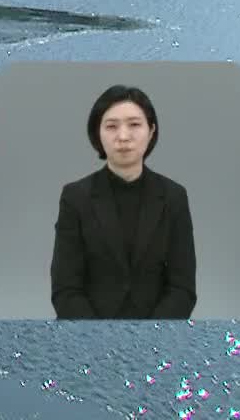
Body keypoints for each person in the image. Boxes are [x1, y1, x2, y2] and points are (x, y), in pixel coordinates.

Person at [49, 84, 197, 319]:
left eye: (135, 125)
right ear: (97, 132)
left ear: (151, 131)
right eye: (111, 126)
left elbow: (183, 288)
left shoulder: (174, 196)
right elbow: (65, 289)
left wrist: (149, 335)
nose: (123, 136)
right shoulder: (75, 196)